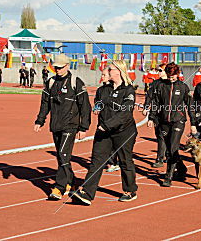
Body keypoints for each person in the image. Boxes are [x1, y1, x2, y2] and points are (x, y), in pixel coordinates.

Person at [72, 60, 138, 205]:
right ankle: (87, 193)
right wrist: (98, 107)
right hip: (104, 131)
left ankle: (130, 190)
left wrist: (107, 125)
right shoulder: (104, 89)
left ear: (118, 71)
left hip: (124, 132)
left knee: (125, 160)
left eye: (110, 69)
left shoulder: (128, 90)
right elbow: (99, 101)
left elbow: (125, 114)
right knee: (97, 160)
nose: (106, 71)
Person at [34, 54, 92, 200]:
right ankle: (71, 182)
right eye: (55, 67)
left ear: (67, 66)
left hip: (70, 126)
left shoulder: (76, 82)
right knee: (62, 157)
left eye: (60, 67)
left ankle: (59, 188)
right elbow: (45, 103)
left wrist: (83, 127)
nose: (57, 70)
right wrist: (40, 120)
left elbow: (85, 106)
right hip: (56, 125)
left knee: (63, 154)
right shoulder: (50, 82)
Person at [148, 62, 193, 187]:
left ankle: (168, 176)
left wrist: (193, 123)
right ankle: (182, 168)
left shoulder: (183, 87)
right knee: (169, 150)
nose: (171, 78)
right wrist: (151, 117)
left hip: (178, 120)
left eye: (173, 75)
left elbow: (190, 106)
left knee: (173, 148)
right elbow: (156, 103)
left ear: (177, 74)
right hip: (164, 121)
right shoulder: (161, 86)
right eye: (169, 75)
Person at [94, 68, 120, 173]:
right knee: (102, 142)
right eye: (102, 75)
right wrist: (96, 108)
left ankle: (113, 162)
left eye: (104, 75)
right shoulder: (100, 90)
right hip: (102, 120)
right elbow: (97, 101)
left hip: (113, 120)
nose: (102, 77)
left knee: (114, 143)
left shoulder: (114, 89)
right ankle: (108, 162)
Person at [143, 63, 168, 168]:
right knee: (160, 136)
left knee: (166, 137)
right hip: (158, 114)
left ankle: (164, 157)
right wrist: (146, 107)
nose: (158, 72)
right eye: (158, 70)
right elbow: (150, 96)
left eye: (160, 70)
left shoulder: (173, 84)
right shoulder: (155, 83)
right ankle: (161, 157)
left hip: (170, 114)